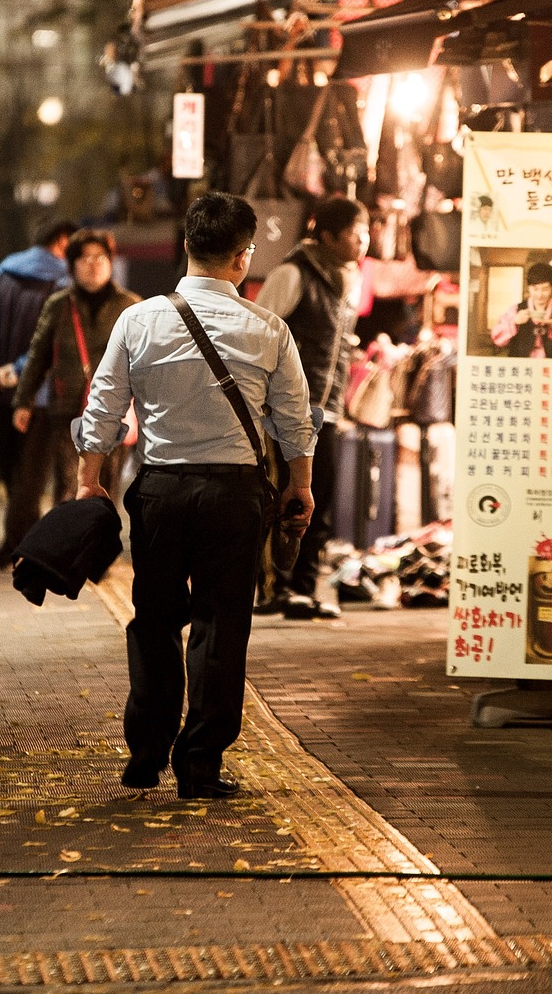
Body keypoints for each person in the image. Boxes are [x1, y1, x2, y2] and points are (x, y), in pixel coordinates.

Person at [74, 193, 316, 799]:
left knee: (155, 620)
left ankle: (145, 755)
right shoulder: (268, 329)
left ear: (186, 248)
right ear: (243, 257)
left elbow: (102, 405)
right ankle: (200, 764)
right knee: (220, 624)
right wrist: (301, 485)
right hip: (234, 495)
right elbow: (295, 420)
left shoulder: (139, 320)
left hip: (160, 492)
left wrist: (90, 479)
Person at [253, 196, 368, 619]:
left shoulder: (348, 279)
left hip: (329, 409)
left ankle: (303, 588)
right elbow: (258, 335)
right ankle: (272, 589)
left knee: (318, 503)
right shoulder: (292, 273)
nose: (364, 242)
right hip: (286, 411)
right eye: (357, 233)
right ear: (328, 236)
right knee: (281, 497)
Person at [9, 229, 141, 557]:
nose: (93, 265)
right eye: (84, 258)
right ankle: (66, 550)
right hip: (68, 409)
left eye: (100, 258)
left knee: (107, 487)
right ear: (72, 266)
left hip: (116, 412)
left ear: (111, 263)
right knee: (69, 483)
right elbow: (38, 355)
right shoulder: (58, 305)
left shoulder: (131, 306)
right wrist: (23, 401)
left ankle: (97, 552)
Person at [0, 219, 76, 563]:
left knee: (13, 470)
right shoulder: (63, 281)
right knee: (31, 475)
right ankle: (18, 545)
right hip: (38, 394)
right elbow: (51, 342)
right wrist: (17, 372)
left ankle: (21, 543)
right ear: (62, 241)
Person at [489, 261, 552, 356]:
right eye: (535, 289)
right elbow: (497, 339)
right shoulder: (516, 309)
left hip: (551, 367)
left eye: (545, 289)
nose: (539, 295)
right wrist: (514, 321)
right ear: (529, 288)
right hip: (522, 366)